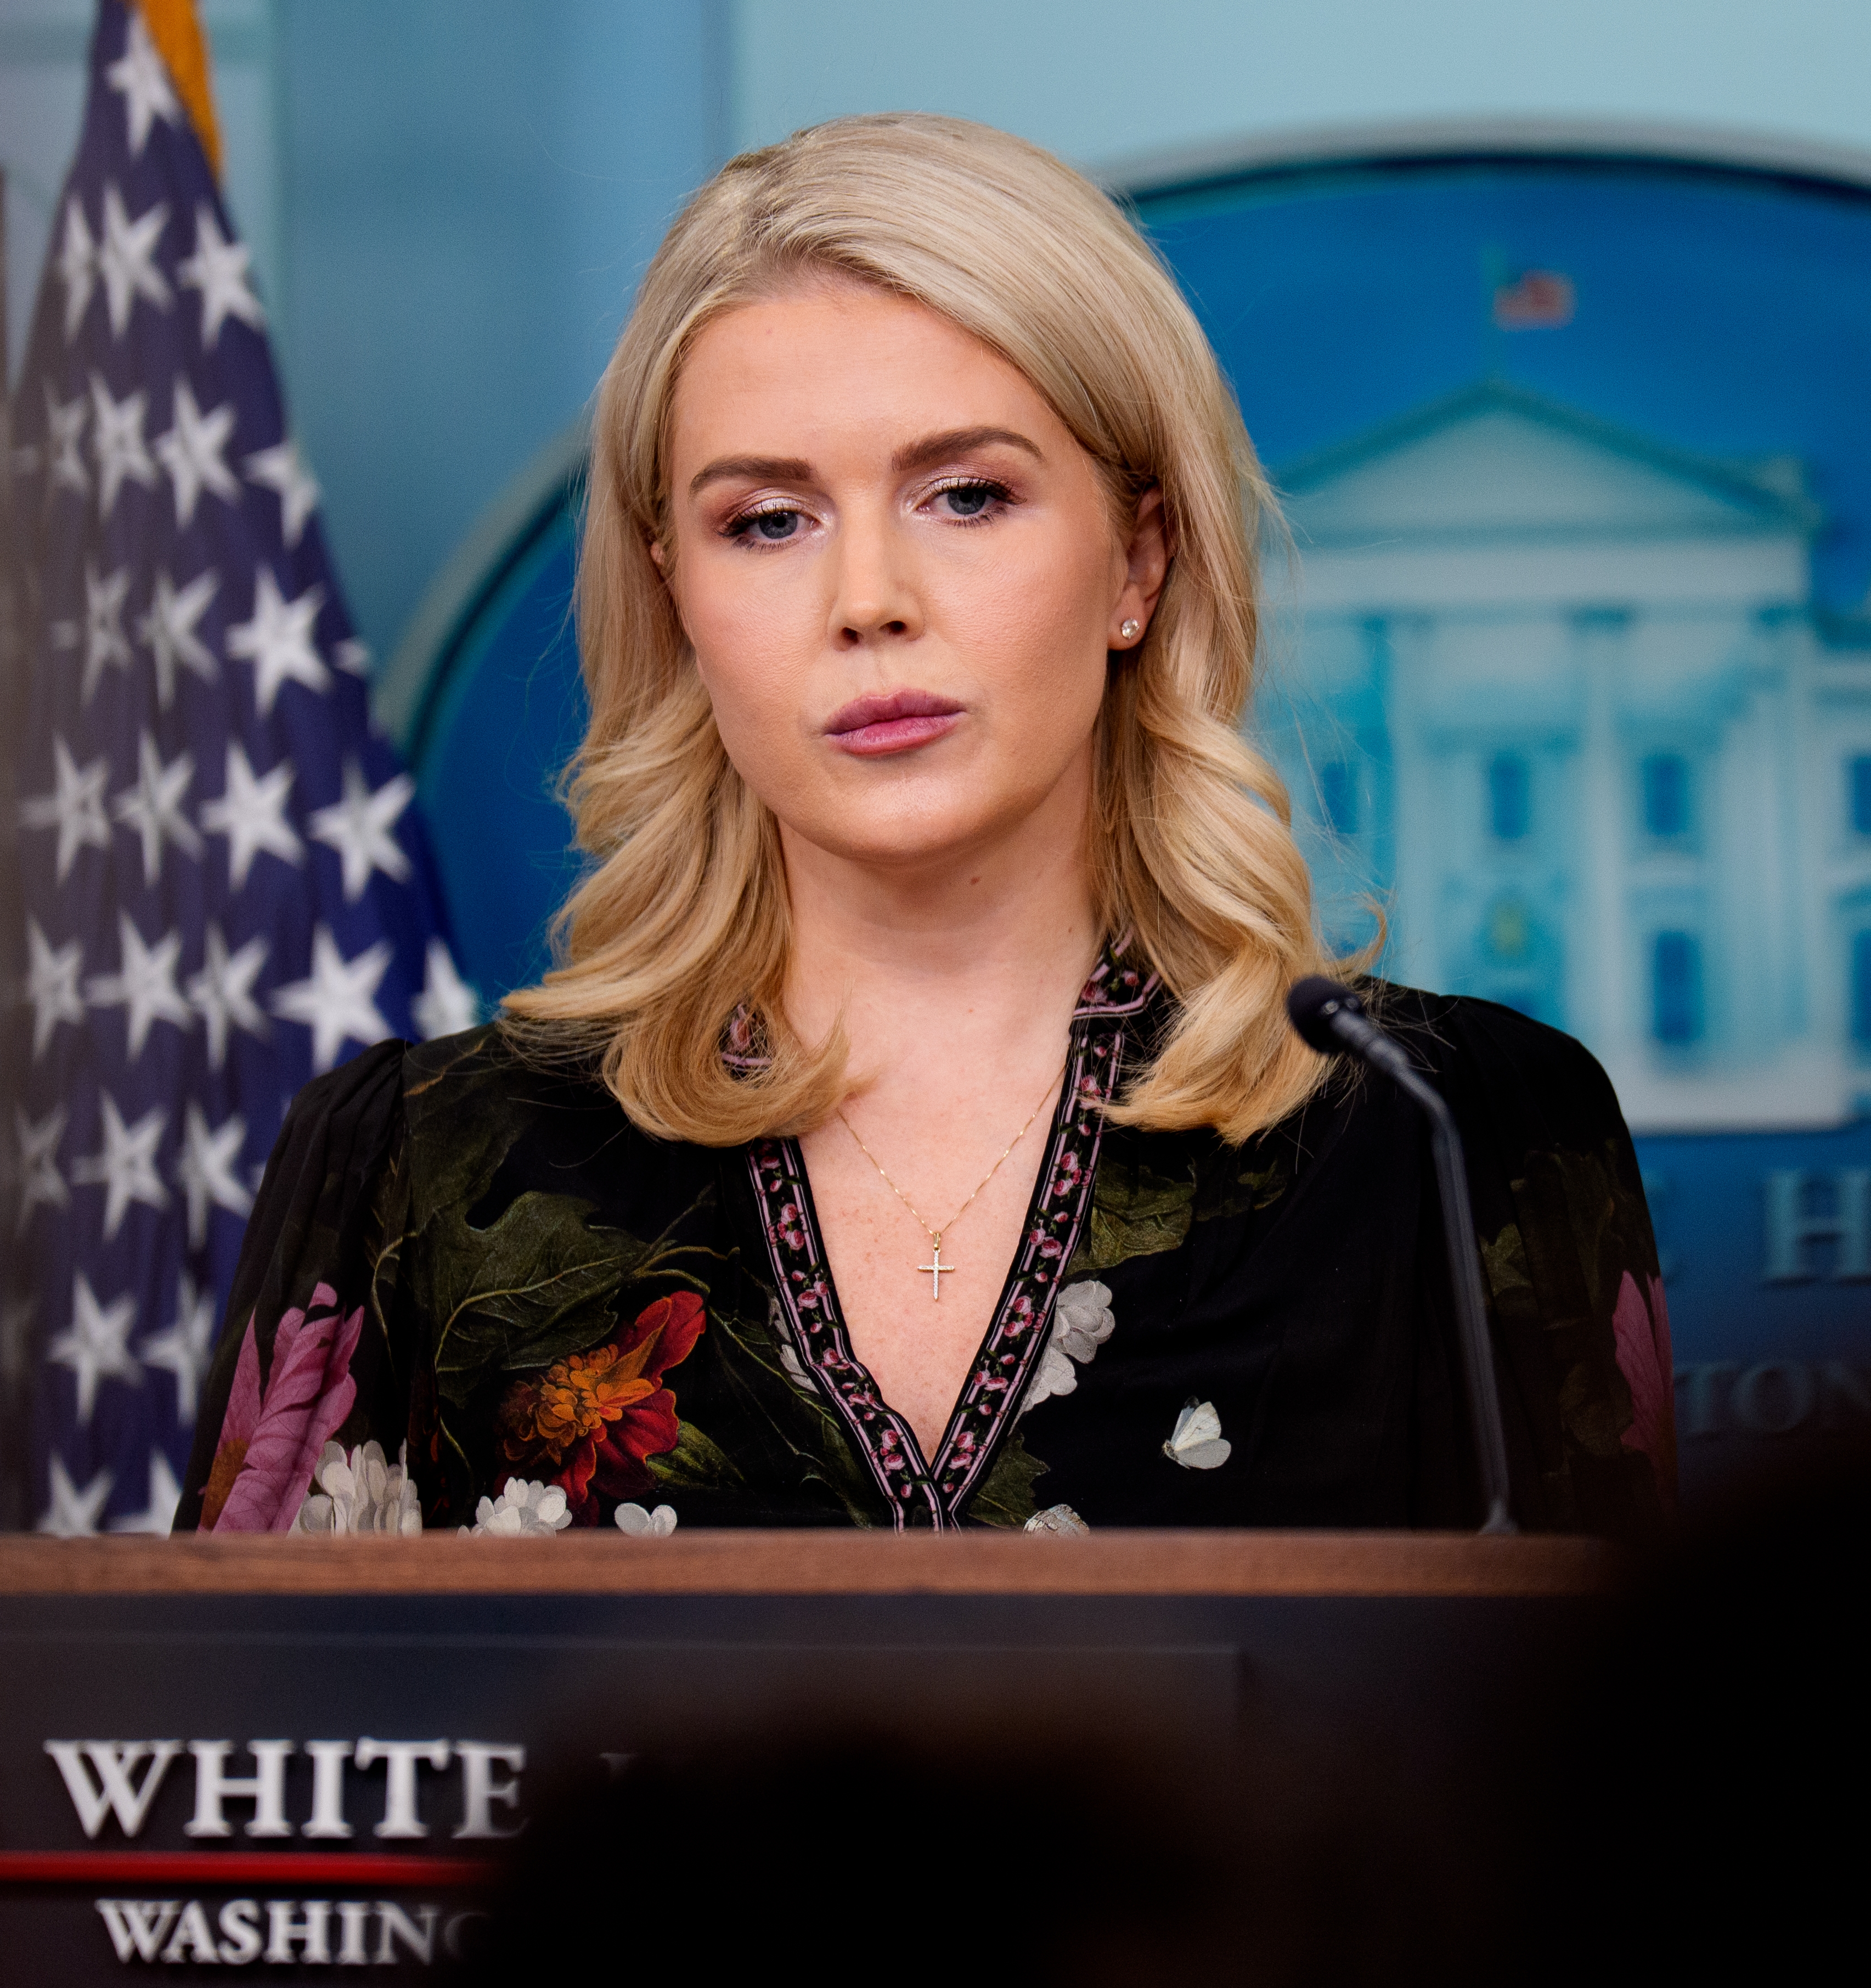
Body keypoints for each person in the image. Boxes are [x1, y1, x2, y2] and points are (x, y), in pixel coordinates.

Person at [180, 113, 1672, 1537]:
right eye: (768, 519)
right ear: (678, 596)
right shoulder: (418, 1168)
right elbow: (249, 1761)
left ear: (1137, 562)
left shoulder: (1462, 1136)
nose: (867, 601)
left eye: (965, 496)